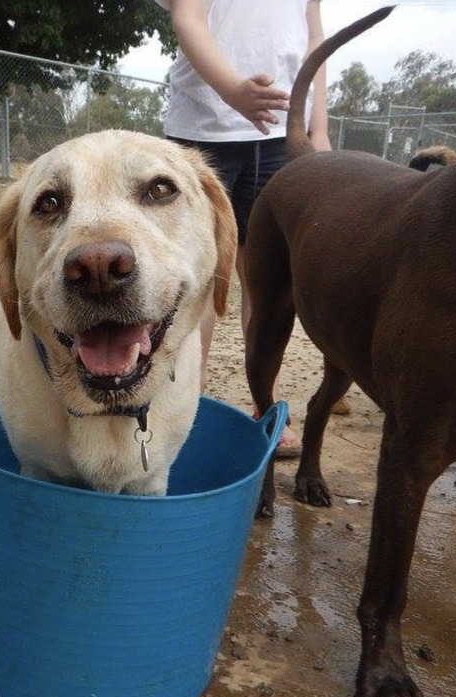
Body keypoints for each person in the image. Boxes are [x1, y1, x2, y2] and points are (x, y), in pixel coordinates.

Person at [152, 0, 339, 455]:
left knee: (266, 287)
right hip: (204, 133)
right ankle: (181, 413)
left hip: (279, 138)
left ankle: (264, 405)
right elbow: (188, 17)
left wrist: (318, 128)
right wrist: (234, 90)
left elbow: (314, 39)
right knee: (197, 284)